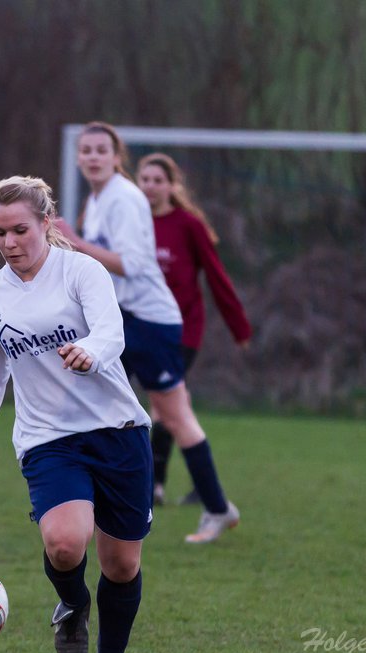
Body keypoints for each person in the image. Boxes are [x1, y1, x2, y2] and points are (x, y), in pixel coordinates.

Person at [0, 175, 150, 653]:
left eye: (19, 230)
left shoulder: (81, 270)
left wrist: (90, 350)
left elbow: (112, 330)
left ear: (46, 224)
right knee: (64, 543)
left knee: (122, 565)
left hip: (118, 431)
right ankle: (73, 605)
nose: (9, 243)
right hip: (47, 438)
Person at [56, 121, 240, 544]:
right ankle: (93, 504)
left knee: (173, 416)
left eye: (101, 149)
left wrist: (77, 243)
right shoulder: (99, 199)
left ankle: (215, 508)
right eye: (86, 150)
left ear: (117, 156)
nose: (92, 157)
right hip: (123, 319)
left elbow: (132, 265)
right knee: (89, 402)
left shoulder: (124, 198)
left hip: (151, 323)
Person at [137, 152, 252, 508]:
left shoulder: (189, 225)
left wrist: (238, 326)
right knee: (168, 406)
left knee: (164, 406)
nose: (151, 186)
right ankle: (196, 486)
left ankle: (156, 486)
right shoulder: (130, 221)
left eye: (159, 180)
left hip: (182, 329)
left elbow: (217, 276)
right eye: (145, 179)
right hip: (140, 328)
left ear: (172, 185)